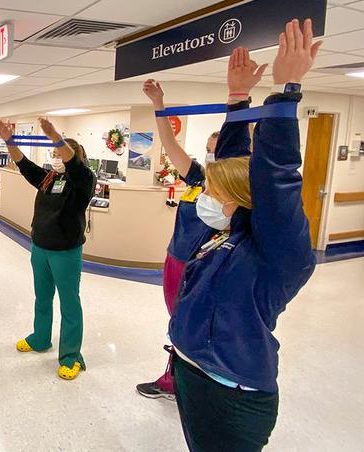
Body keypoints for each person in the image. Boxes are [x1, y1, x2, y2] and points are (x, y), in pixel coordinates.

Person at [169, 19, 319, 451]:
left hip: (232, 395)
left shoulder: (279, 253)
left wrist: (285, 92)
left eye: (214, 192)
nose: (206, 198)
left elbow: (276, 177)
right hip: (191, 373)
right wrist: (237, 101)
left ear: (240, 198)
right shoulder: (230, 229)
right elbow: (235, 161)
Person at [135, 46, 264, 401]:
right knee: (176, 323)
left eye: (217, 149)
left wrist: (241, 101)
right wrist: (159, 105)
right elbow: (168, 143)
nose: (212, 156)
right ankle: (176, 377)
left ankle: (179, 381)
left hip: (201, 266)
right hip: (174, 259)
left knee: (190, 323)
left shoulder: (238, 197)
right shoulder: (198, 178)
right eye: (210, 149)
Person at [0, 117, 96, 380]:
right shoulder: (50, 177)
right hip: (40, 247)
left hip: (66, 251)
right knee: (42, 298)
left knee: (69, 304)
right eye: (53, 154)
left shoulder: (84, 180)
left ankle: (71, 356)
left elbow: (74, 165)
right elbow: (24, 165)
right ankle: (40, 339)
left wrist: (54, 135)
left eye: (58, 153)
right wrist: (9, 141)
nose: (55, 157)